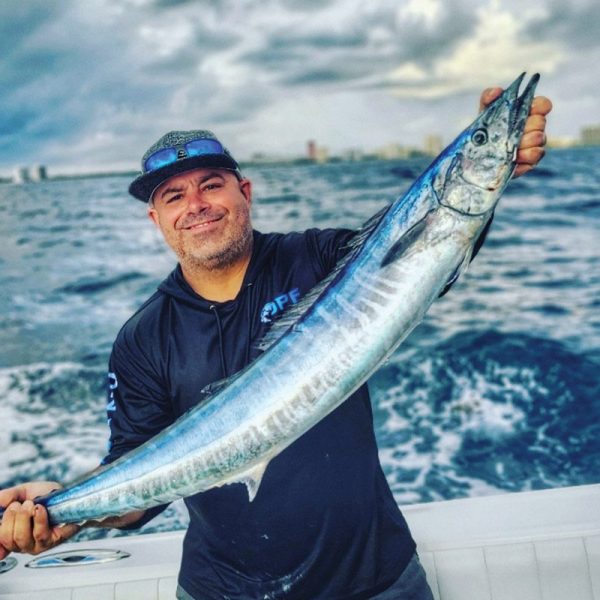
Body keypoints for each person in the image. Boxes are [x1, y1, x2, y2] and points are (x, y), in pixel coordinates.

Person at [0, 88, 552, 599]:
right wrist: (66, 511)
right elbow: (139, 483)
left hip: (377, 579)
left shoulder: (322, 260)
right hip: (223, 590)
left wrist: (496, 169)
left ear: (244, 192)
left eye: (211, 184)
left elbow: (427, 259)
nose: (196, 204)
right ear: (157, 219)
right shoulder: (143, 339)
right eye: (174, 195)